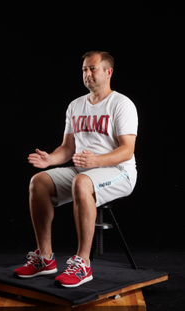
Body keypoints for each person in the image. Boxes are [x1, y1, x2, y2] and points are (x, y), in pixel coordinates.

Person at [13, 51, 138, 288]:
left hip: (119, 171)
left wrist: (96, 162)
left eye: (92, 69)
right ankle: (45, 259)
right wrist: (50, 159)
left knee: (82, 182)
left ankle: (83, 265)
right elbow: (67, 148)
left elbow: (127, 151)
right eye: (84, 69)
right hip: (84, 171)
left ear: (108, 72)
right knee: (38, 181)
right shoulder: (75, 105)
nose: (87, 74)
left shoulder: (122, 104)